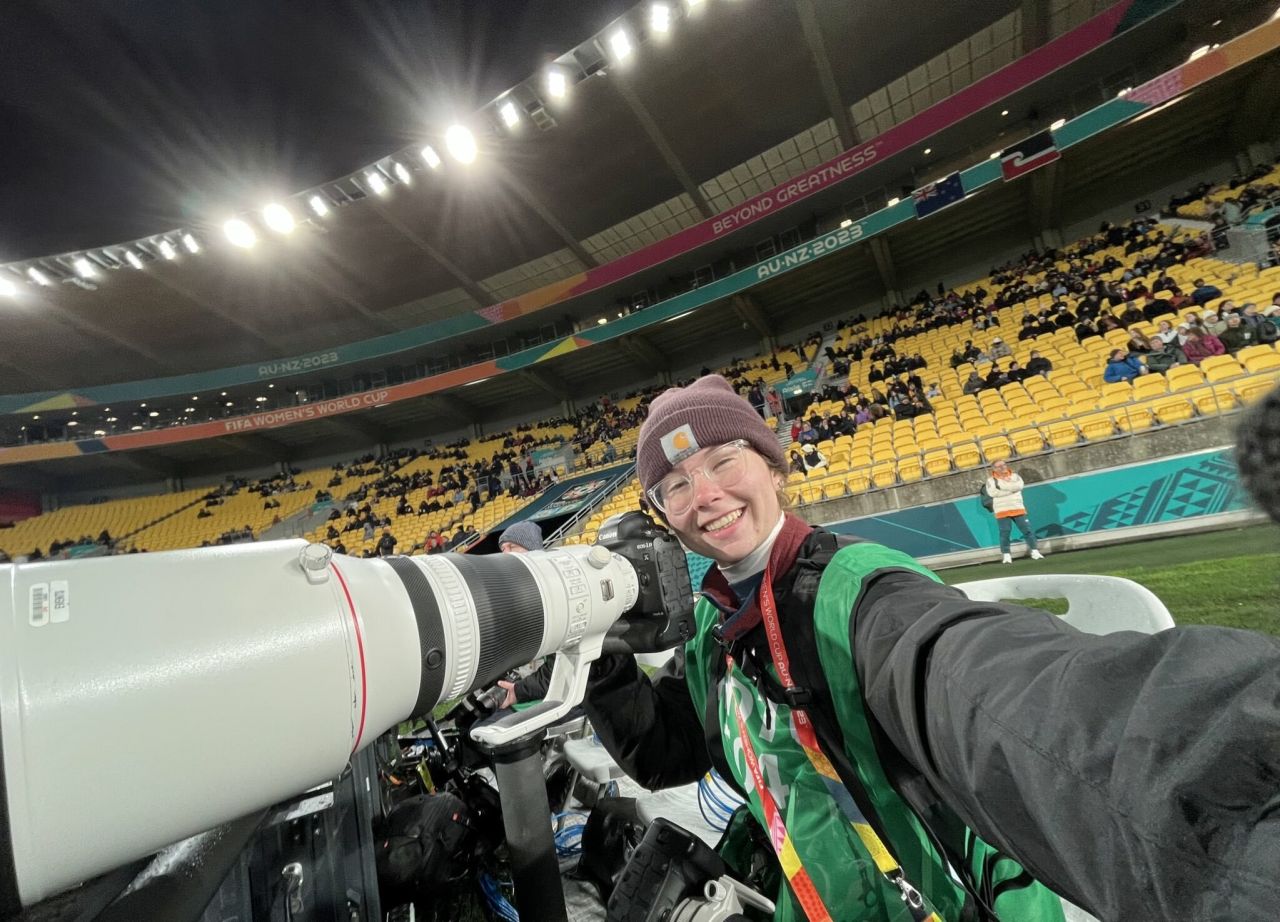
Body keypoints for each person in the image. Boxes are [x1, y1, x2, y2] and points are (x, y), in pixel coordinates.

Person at [583, 375, 1280, 920]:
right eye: (675, 485)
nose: (703, 496)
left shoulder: (859, 596)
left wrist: (1231, 811)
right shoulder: (714, 624)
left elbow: (1009, 702)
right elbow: (667, 752)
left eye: (724, 460)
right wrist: (601, 654)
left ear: (774, 467)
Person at [984, 459, 1045, 564]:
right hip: (1002, 510)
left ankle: (1035, 551)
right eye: (999, 466)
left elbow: (1020, 486)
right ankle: (1007, 555)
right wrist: (1011, 489)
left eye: (1003, 465)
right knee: (1005, 533)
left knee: (1027, 530)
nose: (1002, 467)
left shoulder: (1015, 476)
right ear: (994, 469)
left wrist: (1003, 487)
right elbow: (993, 493)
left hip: (1017, 507)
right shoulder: (991, 480)